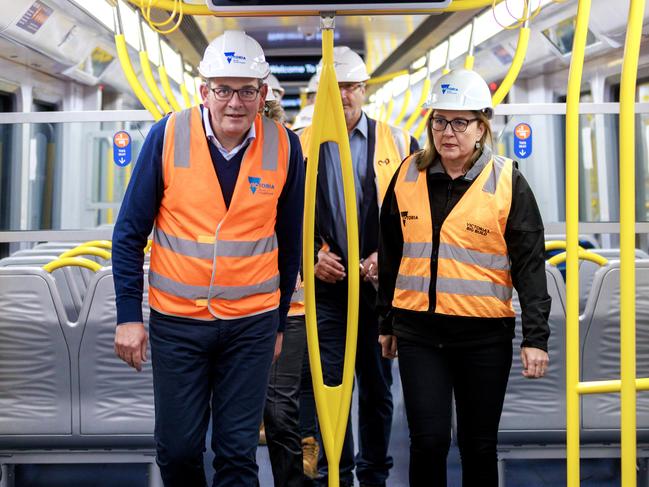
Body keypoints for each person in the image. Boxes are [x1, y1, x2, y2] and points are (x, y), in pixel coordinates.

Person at [112, 30, 305, 487]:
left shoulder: (285, 146)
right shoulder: (167, 135)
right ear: (204, 92)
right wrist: (127, 316)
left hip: (251, 325)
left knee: (237, 453)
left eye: (246, 90)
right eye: (223, 89)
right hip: (178, 322)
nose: (234, 102)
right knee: (178, 450)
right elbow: (128, 234)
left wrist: (278, 322)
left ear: (261, 95)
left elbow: (290, 242)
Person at [376, 68, 550, 487]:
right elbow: (391, 254)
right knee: (429, 440)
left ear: (481, 127)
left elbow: (530, 264)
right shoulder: (407, 175)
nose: (447, 131)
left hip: (484, 335)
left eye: (459, 122)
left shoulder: (508, 182)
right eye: (439, 120)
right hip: (419, 332)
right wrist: (387, 322)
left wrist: (535, 338)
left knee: (478, 444)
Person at [299, 45, 419, 487]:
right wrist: (312, 255)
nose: (342, 95)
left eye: (350, 86)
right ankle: (338, 470)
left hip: (378, 289)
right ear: (318, 95)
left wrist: (384, 260)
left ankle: (373, 474)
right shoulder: (300, 144)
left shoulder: (401, 143)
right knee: (331, 385)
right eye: (333, 87)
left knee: (376, 386)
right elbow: (288, 214)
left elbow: (417, 216)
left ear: (364, 91)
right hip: (328, 289)